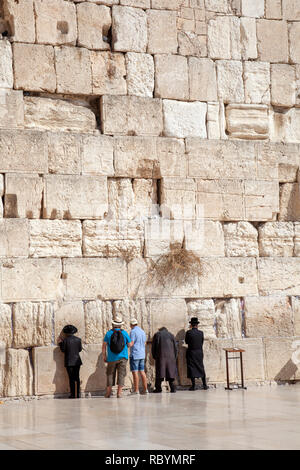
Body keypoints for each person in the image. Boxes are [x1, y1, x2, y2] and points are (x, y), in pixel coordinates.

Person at [102, 317, 133, 398]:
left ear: (113, 324)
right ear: (121, 325)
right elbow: (129, 344)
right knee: (121, 374)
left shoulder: (108, 333)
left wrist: (104, 356)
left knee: (110, 374)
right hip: (123, 357)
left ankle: (108, 393)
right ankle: (119, 393)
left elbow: (104, 346)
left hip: (111, 358)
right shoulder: (124, 333)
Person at [58, 324, 82, 399]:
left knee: (71, 378)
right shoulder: (78, 340)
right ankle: (77, 394)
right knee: (77, 377)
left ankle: (72, 394)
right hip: (77, 361)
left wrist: (60, 343)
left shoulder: (65, 340)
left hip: (69, 362)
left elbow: (63, 350)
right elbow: (80, 349)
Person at [151, 327, 178, 393]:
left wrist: (155, 356)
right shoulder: (171, 335)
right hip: (171, 358)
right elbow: (175, 348)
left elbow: (154, 347)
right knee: (170, 373)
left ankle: (158, 388)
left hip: (161, 356)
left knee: (160, 373)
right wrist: (174, 357)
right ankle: (172, 388)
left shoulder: (157, 335)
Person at [185, 317, 208, 391]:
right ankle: (204, 385)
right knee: (201, 367)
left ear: (191, 325)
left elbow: (186, 342)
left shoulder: (188, 333)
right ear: (197, 325)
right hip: (199, 352)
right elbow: (201, 342)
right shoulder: (201, 333)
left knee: (192, 368)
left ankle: (193, 385)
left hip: (191, 352)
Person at [129, 318, 148, 395]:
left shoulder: (133, 332)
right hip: (142, 354)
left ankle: (136, 390)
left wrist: (125, 345)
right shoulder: (142, 331)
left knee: (135, 372)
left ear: (131, 325)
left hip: (135, 354)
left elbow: (131, 343)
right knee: (142, 371)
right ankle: (145, 390)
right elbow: (145, 343)